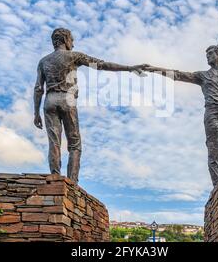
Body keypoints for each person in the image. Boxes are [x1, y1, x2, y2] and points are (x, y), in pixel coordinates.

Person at [33, 28, 147, 184]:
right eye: (72, 40)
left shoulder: (43, 61)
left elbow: (38, 88)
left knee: (54, 142)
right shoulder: (74, 56)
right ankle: (72, 182)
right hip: (67, 99)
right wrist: (129, 68)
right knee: (75, 144)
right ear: (66, 40)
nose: (73, 44)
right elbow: (101, 65)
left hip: (49, 101)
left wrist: (36, 113)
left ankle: (54, 176)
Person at [144, 45, 218, 187]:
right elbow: (178, 75)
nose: (207, 56)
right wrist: (153, 69)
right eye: (206, 54)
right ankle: (217, 186)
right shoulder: (202, 76)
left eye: (210, 53)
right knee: (214, 152)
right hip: (212, 115)